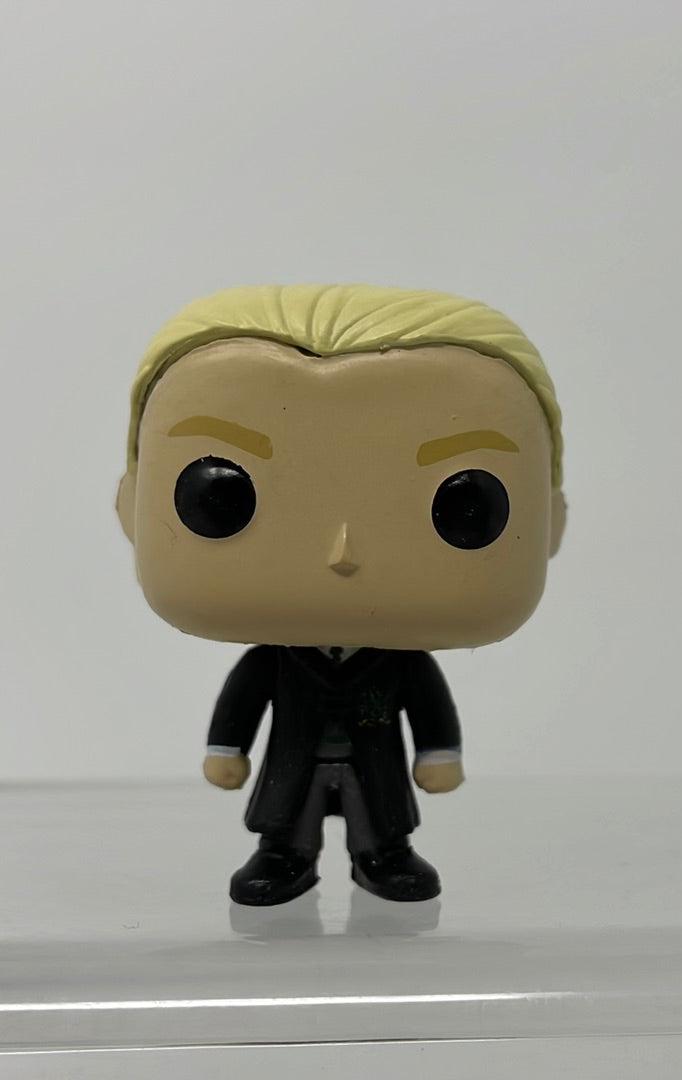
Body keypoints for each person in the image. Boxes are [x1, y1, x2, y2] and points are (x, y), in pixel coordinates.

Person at [116, 285, 565, 905]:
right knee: (286, 816)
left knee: (380, 816)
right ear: (130, 508)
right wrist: (226, 748)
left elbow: (429, 704)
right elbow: (244, 699)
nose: (342, 552)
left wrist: (439, 753)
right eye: (221, 497)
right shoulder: (273, 662)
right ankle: (285, 854)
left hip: (375, 761)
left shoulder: (402, 664)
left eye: (465, 504)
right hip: (293, 760)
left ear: (552, 522)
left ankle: (383, 855)